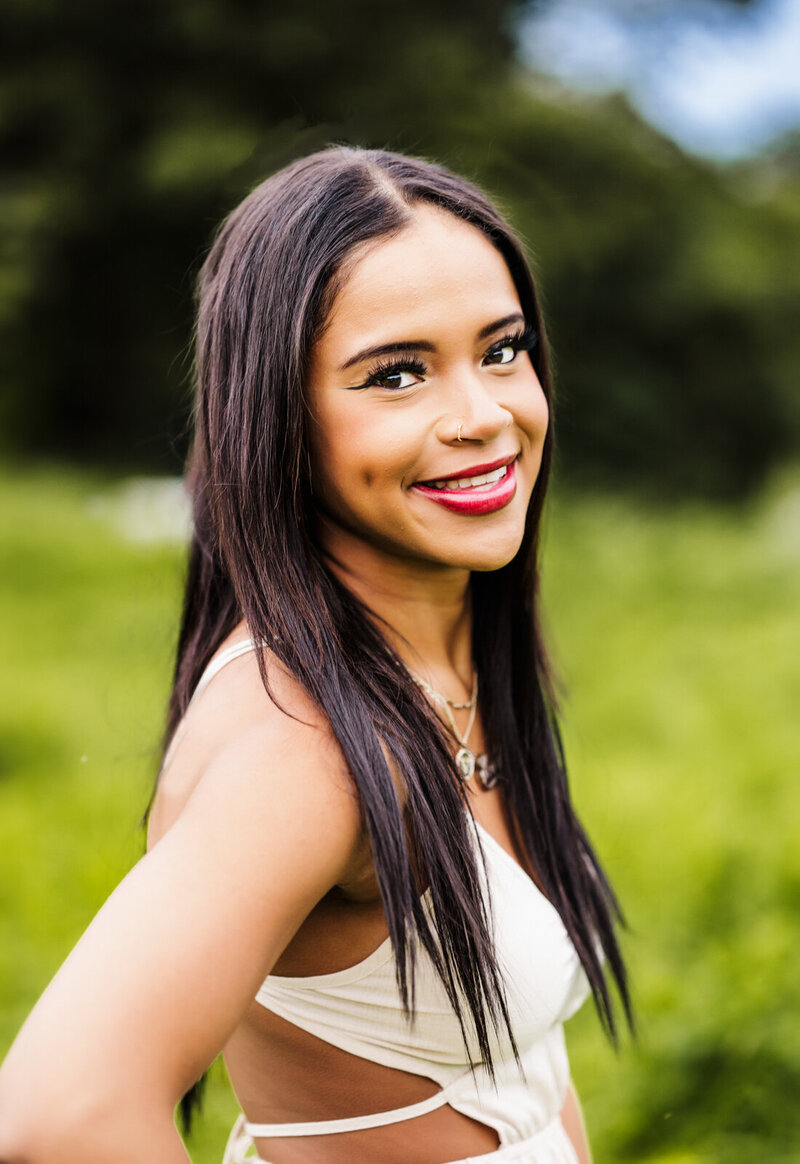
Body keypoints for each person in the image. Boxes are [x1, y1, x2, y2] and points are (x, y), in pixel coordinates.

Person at [0, 146, 630, 1164]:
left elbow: (520, 1079)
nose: (482, 415)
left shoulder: (452, 664)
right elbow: (57, 1116)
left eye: (501, 350)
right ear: (278, 415)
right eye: (397, 373)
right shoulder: (313, 753)